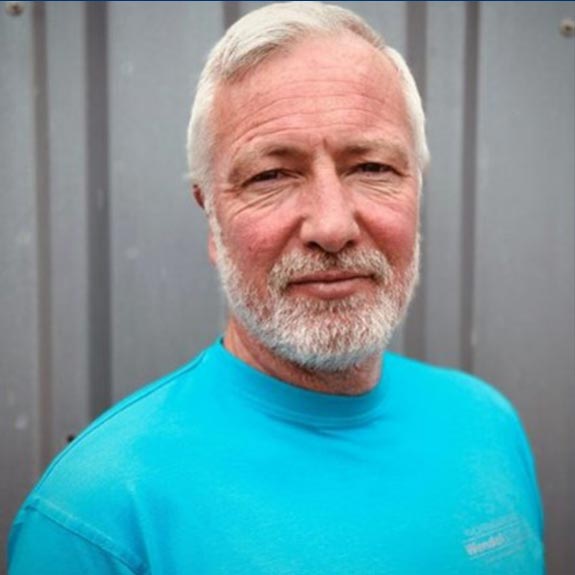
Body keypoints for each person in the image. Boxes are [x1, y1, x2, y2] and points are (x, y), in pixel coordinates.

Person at [8, 2, 544, 574]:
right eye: (270, 175)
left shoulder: (487, 425)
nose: (332, 227)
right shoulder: (97, 516)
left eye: (371, 167)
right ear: (212, 219)